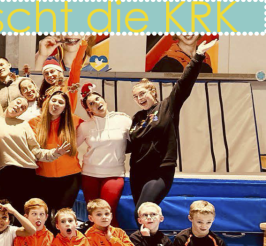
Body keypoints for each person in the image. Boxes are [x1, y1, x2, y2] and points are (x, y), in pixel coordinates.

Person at [129, 39, 217, 210]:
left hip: (160, 171)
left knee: (143, 210)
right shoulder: (137, 117)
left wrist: (198, 56)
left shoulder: (167, 106)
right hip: (137, 171)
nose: (139, 98)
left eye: (142, 93)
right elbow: (129, 144)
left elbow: (184, 83)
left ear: (152, 92)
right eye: (135, 97)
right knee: (143, 215)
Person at [0, 97, 67, 213]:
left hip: (27, 172)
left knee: (26, 212)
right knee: (4, 212)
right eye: (18, 102)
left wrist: (55, 153)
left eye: (23, 108)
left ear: (22, 113)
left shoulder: (24, 124)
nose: (18, 106)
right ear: (11, 102)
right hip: (5, 172)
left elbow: (36, 151)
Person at [77, 84, 131, 227]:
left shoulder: (123, 120)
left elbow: (138, 141)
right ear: (89, 110)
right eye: (91, 104)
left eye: (97, 99)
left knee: (106, 213)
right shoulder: (85, 126)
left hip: (114, 174)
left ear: (104, 100)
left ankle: (117, 241)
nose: (96, 103)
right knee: (94, 217)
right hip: (89, 175)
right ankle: (93, 241)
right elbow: (71, 146)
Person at [28, 87, 82, 223]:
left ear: (65, 108)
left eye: (61, 102)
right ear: (48, 102)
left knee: (62, 216)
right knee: (45, 217)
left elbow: (95, 124)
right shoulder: (33, 123)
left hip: (70, 177)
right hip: (43, 177)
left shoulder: (74, 121)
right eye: (54, 100)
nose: (56, 104)